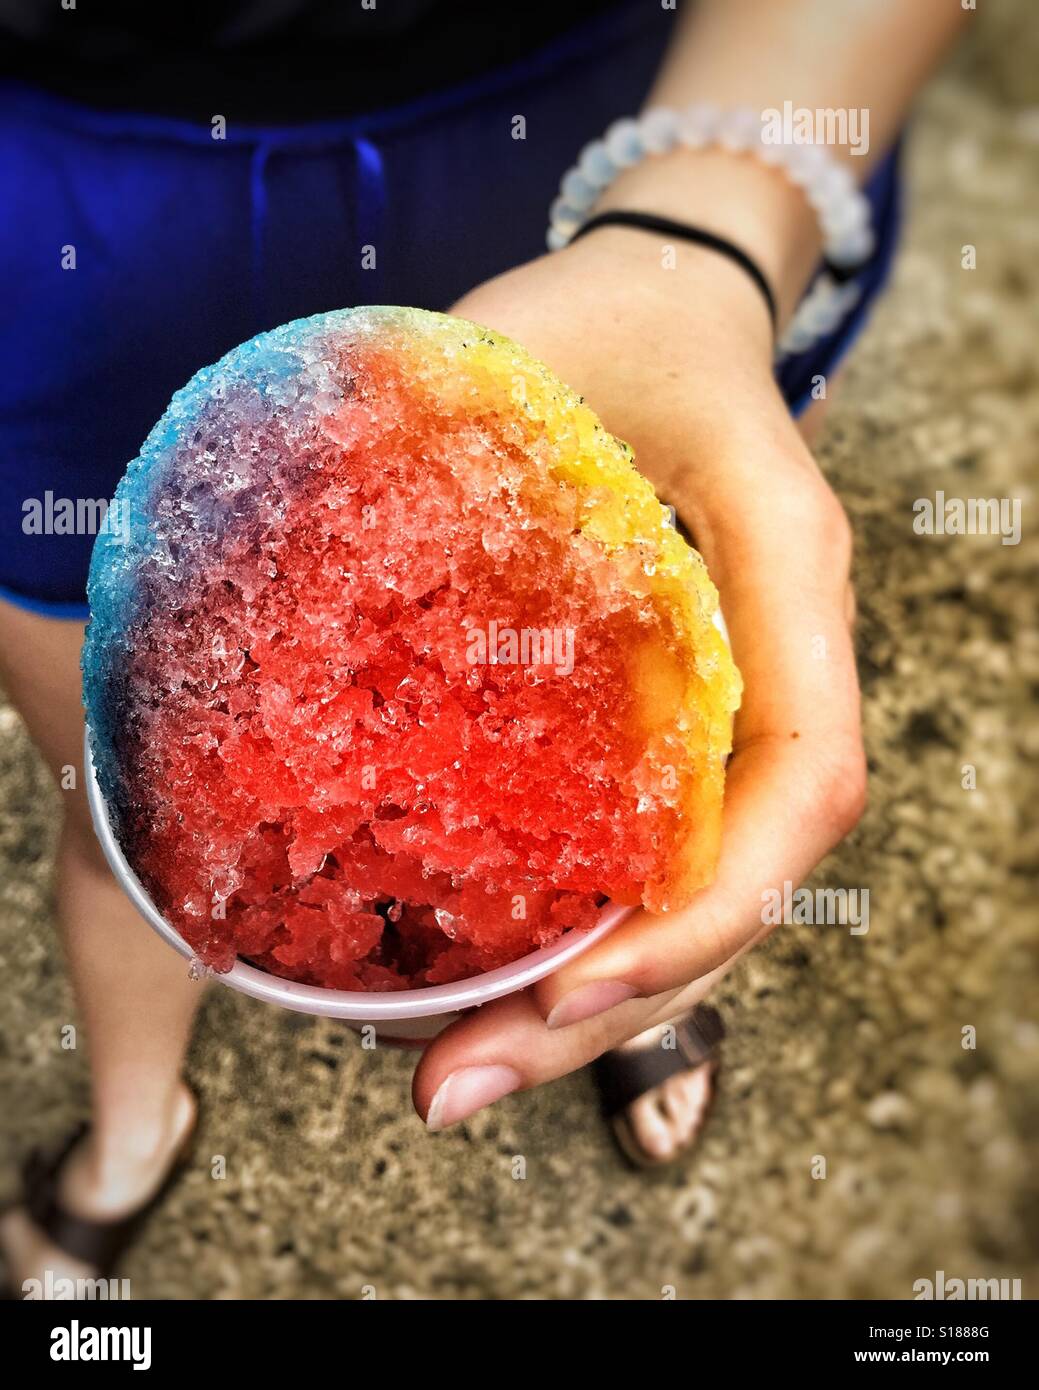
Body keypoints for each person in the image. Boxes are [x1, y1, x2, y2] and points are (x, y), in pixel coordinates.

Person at [0, 0, 966, 1289]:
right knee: (136, 823)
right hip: (60, 211)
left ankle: (610, 960)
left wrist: (712, 224)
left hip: (637, 109)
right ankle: (134, 1129)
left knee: (673, 671)